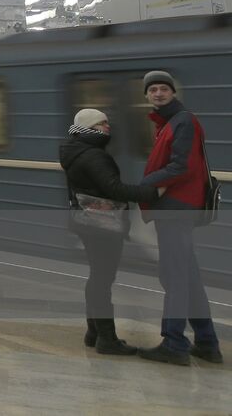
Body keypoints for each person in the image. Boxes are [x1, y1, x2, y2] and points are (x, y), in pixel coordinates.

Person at [137, 70, 221, 366]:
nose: (158, 93)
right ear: (146, 95)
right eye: (153, 90)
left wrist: (144, 185)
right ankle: (208, 342)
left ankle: (174, 343)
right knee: (188, 277)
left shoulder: (183, 121)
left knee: (173, 276)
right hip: (175, 207)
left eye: (164, 89)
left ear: (173, 93)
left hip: (176, 209)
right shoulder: (168, 122)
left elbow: (180, 166)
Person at [59, 107, 160, 354]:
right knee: (103, 280)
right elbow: (114, 189)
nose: (107, 127)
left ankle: (94, 332)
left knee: (97, 277)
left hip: (87, 222)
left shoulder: (75, 150)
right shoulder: (94, 155)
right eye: (101, 124)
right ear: (89, 128)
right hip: (103, 225)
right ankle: (106, 339)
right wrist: (153, 193)